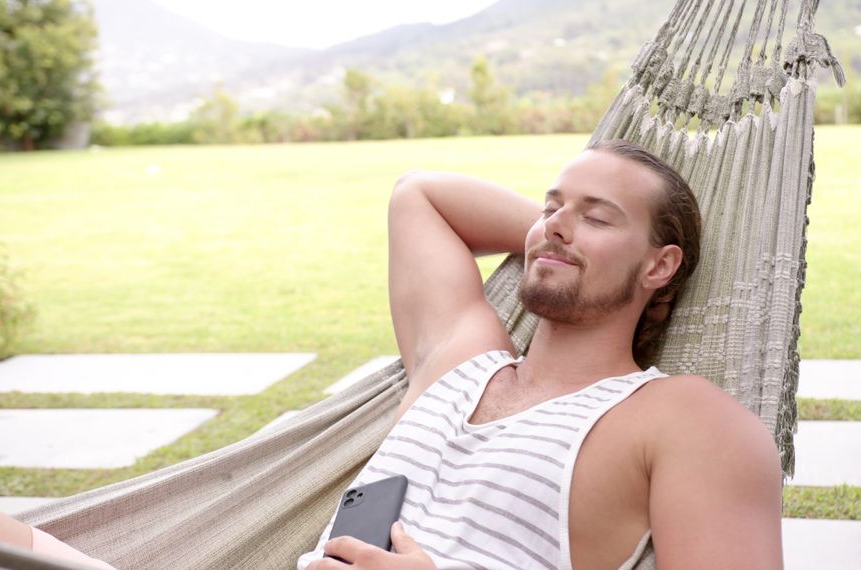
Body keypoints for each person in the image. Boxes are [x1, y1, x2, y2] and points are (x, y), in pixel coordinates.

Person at [299, 140, 783, 569]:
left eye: (596, 216)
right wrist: (566, 242)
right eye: (549, 210)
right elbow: (418, 195)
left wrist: (579, 250)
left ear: (660, 264)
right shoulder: (461, 361)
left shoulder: (683, 418)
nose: (555, 226)